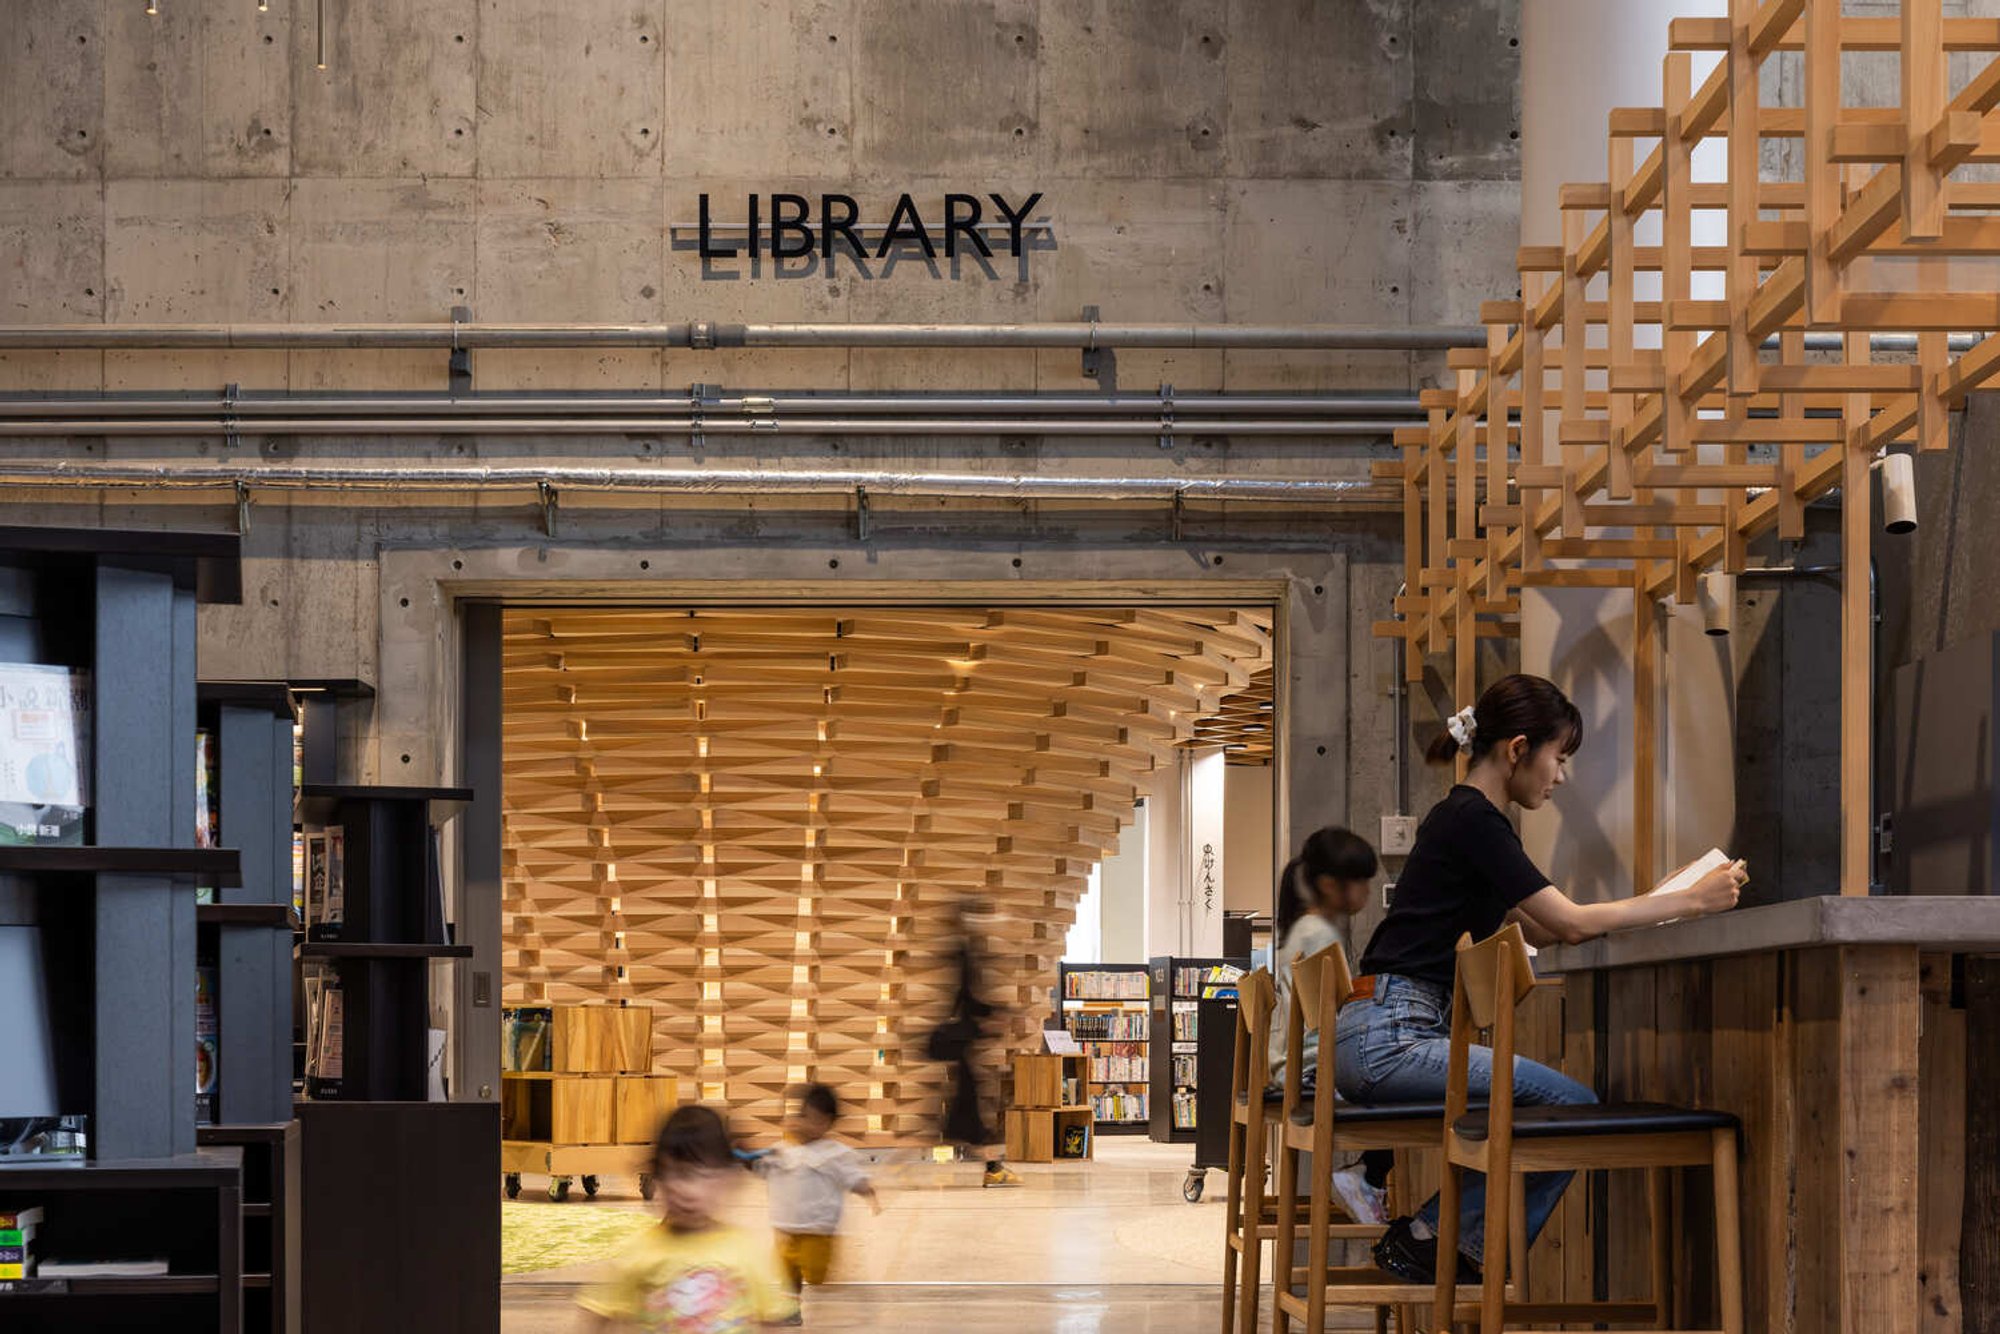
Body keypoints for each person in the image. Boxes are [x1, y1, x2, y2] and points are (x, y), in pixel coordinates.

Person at [1334, 673, 1746, 1285]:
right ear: (1518, 749)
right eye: (1559, 756)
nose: (1561, 775)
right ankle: (1431, 1241)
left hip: (1375, 1031)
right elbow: (1573, 923)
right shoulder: (1475, 820)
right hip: (1392, 1036)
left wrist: (1676, 891)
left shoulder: (1465, 820)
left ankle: (1438, 1242)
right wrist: (1692, 903)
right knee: (1571, 1105)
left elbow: (1548, 929)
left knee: (1547, 1109)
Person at [578, 1104, 796, 1332]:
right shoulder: (640, 1251)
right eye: (670, 1173)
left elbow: (772, 1319)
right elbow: (597, 1312)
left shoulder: (746, 1250)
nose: (684, 1190)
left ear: (727, 1179)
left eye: (700, 1175)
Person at [1266, 827, 1390, 1224]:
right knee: (1396, 1079)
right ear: (1328, 885)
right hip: (1310, 1071)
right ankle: (1368, 1176)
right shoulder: (1319, 936)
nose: (1367, 893)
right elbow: (1329, 1022)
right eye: (1360, 883)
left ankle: (1367, 1176)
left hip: (1291, 1068)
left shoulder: (1303, 931)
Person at [754, 1084, 882, 1305]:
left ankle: (808, 1276)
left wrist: (868, 1193)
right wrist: (746, 1158)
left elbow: (854, 1178)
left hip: (817, 1229)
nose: (800, 1123)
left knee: (815, 1274)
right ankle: (791, 1306)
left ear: (825, 1123)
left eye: (810, 1119)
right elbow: (760, 1168)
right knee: (785, 1270)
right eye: (800, 1116)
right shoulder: (780, 1150)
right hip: (783, 1227)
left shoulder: (835, 1153)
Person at [930, 901, 1021, 1186]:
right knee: (968, 1111)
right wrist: (997, 1014)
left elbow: (964, 1000)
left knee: (967, 1111)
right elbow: (968, 1000)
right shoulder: (965, 954)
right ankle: (993, 1169)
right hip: (962, 1043)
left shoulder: (963, 952)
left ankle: (993, 1167)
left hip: (962, 1045)